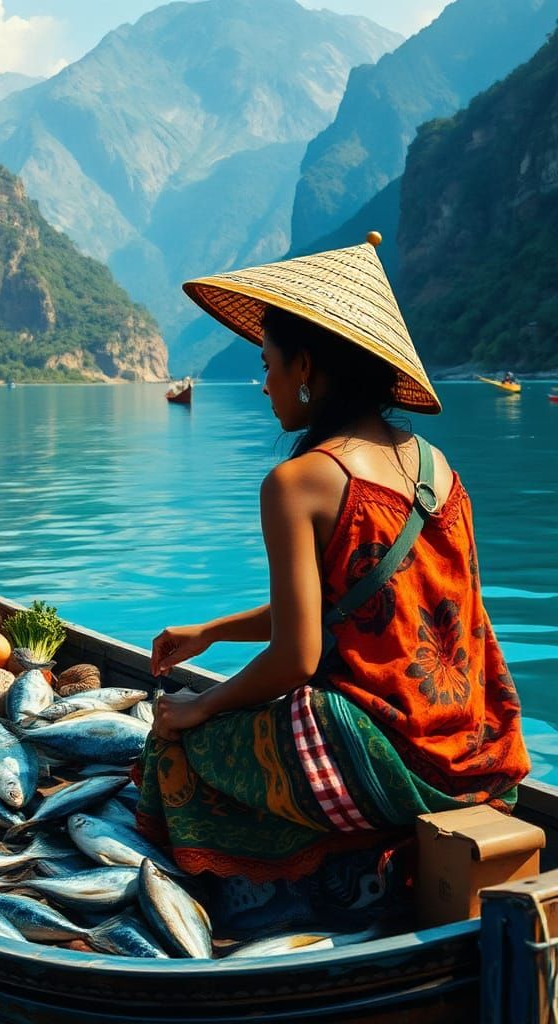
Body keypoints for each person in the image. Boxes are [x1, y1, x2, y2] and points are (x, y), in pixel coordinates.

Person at [135, 232, 530, 933]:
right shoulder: (440, 470)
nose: (264, 385)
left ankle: (271, 895)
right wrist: (213, 632)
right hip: (479, 751)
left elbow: (298, 658)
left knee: (171, 745)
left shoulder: (297, 481)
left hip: (391, 757)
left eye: (268, 365)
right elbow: (363, 607)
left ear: (307, 366)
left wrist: (202, 709)